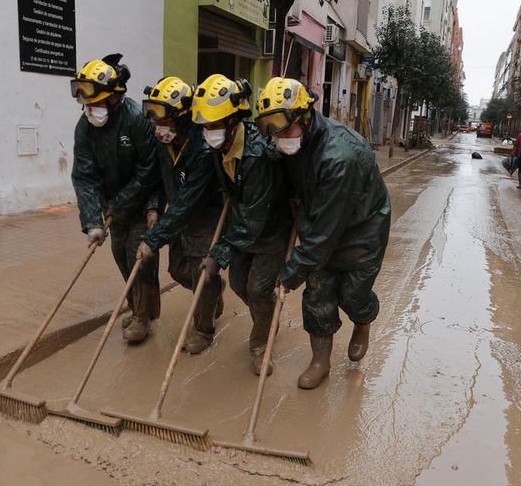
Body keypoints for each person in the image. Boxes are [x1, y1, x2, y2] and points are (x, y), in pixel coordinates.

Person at [255, 78, 392, 390]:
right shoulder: (292, 141)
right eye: (270, 130)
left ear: (305, 118)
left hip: (362, 230)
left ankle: (363, 319)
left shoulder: (340, 156)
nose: (277, 137)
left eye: (283, 129)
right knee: (317, 294)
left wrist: (289, 274)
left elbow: (324, 235)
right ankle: (320, 360)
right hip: (319, 221)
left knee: (352, 295)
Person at [191, 74, 293, 375]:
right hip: (241, 229)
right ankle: (268, 317)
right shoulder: (219, 147)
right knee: (238, 284)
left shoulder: (258, 154)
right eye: (205, 126)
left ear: (233, 120)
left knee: (258, 290)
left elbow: (254, 218)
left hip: (269, 231)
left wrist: (218, 255)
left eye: (214, 125)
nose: (208, 132)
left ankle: (260, 345)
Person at [70, 54, 162, 342]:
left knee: (140, 260)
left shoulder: (136, 120)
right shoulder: (85, 127)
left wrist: (126, 205)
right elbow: (84, 176)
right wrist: (92, 221)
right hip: (114, 208)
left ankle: (143, 318)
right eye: (86, 104)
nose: (90, 110)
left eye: (95, 103)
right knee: (121, 257)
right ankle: (136, 309)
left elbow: (149, 170)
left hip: (143, 201)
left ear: (113, 98)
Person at [136, 77, 225, 354]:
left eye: (164, 118)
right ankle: (213, 292)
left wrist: (153, 239)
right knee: (178, 270)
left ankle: (203, 330)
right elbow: (158, 179)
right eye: (154, 116)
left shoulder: (202, 150)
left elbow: (189, 202)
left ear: (183, 118)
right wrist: (153, 206)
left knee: (202, 274)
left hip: (205, 215)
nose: (158, 125)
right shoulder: (164, 142)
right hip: (177, 215)